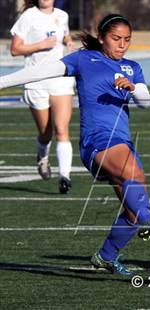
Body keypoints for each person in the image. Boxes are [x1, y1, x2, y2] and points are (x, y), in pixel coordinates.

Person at [0, 13, 150, 276]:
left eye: (127, 40)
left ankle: (106, 256)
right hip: (97, 142)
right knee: (135, 178)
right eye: (116, 38)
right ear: (102, 37)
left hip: (121, 141)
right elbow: (39, 72)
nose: (122, 45)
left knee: (133, 211)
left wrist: (131, 88)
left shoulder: (132, 67)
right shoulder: (84, 59)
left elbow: (145, 101)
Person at [10, 0, 75, 194]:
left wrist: (69, 41)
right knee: (46, 133)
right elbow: (15, 49)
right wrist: (41, 45)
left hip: (59, 78)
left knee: (62, 128)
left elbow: (64, 34)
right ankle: (42, 158)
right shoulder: (29, 16)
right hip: (35, 80)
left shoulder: (62, 16)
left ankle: (65, 177)